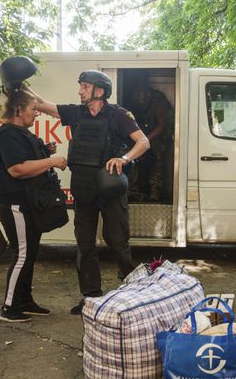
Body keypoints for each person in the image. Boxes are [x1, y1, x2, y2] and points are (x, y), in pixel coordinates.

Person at [29, 70, 150, 314]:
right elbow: (41, 104)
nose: (80, 91)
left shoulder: (118, 115)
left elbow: (143, 142)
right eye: (81, 86)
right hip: (84, 187)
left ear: (100, 91)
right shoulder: (76, 112)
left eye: (84, 86)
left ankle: (134, 291)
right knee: (84, 244)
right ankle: (91, 296)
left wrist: (124, 158)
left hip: (110, 187)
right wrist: (17, 82)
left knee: (117, 240)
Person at [0, 84, 68, 322]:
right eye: (33, 109)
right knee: (22, 253)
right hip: (15, 202)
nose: (37, 113)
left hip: (28, 202)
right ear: (18, 109)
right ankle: (9, 307)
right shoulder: (7, 134)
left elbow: (26, 159)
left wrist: (44, 151)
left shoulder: (21, 134)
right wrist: (52, 161)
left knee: (31, 252)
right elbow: (17, 169)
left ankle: (25, 301)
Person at [127, 80, 174, 202]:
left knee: (156, 158)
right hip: (144, 134)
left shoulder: (157, 100)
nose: (138, 95)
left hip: (159, 136)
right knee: (135, 159)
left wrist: (145, 140)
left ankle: (155, 191)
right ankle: (137, 191)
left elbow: (163, 125)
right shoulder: (135, 99)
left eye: (140, 92)